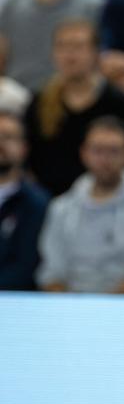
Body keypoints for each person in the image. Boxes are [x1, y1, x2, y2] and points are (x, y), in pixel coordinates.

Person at [36, 115, 124, 293]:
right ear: (83, 153)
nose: (105, 159)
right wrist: (71, 311)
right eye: (97, 150)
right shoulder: (61, 208)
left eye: (114, 151)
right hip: (70, 309)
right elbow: (52, 273)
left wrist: (103, 313)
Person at [25, 18, 124, 196]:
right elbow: (28, 156)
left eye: (78, 47)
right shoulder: (39, 101)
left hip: (103, 194)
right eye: (62, 47)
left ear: (95, 53)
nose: (70, 55)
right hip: (48, 196)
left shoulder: (116, 102)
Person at [0, 110, 50, 290]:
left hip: (14, 300)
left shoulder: (36, 203)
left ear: (23, 148)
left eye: (8, 137)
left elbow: (26, 267)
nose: (1, 143)